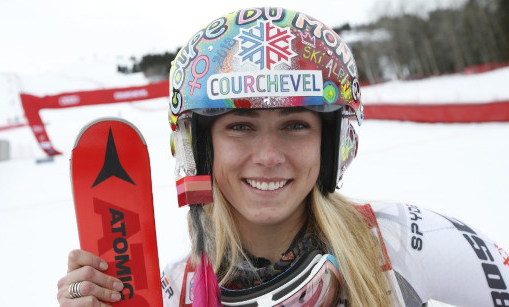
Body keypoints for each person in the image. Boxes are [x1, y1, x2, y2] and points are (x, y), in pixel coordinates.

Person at [57, 7, 509, 307]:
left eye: (295, 125)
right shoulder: (171, 290)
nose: (269, 156)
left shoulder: (406, 243)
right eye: (240, 126)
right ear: (200, 146)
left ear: (332, 143)